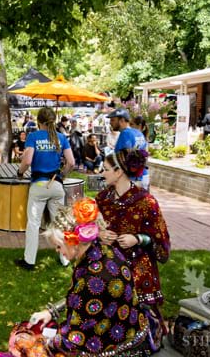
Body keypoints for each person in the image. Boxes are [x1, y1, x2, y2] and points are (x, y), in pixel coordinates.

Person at [18, 199, 155, 356]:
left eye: (58, 245)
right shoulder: (105, 251)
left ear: (73, 242)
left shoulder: (93, 280)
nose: (57, 250)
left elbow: (73, 341)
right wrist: (52, 311)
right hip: (131, 332)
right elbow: (79, 300)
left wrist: (40, 342)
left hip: (116, 350)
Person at [97, 149, 170, 350]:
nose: (102, 173)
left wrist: (137, 238)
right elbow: (89, 228)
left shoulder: (146, 202)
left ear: (118, 171)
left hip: (138, 266)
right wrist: (100, 234)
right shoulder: (102, 199)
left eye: (105, 169)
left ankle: (140, 340)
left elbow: (161, 239)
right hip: (109, 264)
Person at [15, 107, 74, 270]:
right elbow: (71, 162)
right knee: (58, 224)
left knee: (33, 224)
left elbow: (27, 161)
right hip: (56, 185)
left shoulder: (33, 136)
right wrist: (62, 175)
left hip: (39, 185)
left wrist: (20, 173)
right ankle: (65, 259)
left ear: (38, 121)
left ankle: (29, 261)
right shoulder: (61, 137)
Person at [109, 108, 150, 190]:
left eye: (113, 120)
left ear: (122, 120)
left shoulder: (125, 133)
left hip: (131, 179)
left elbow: (122, 158)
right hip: (143, 176)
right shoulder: (138, 132)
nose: (110, 123)